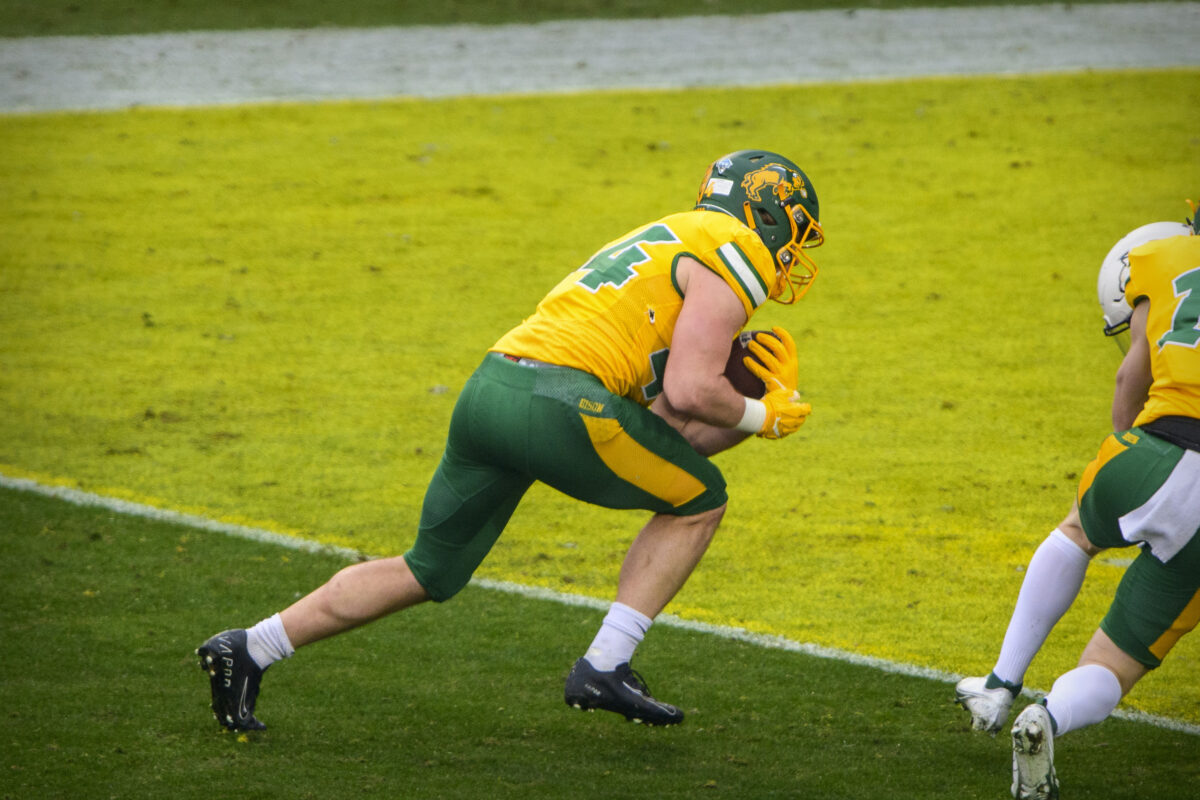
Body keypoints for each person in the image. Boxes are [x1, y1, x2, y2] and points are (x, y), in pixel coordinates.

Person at [197, 149, 825, 730]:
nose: (792, 254)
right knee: (704, 500)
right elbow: (691, 391)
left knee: (428, 569)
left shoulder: (667, 242)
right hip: (562, 401)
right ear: (764, 214)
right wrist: (760, 416)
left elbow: (660, 439)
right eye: (794, 232)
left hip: (492, 391)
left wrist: (742, 422)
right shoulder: (733, 244)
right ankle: (605, 663)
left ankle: (251, 646)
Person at [954, 201, 1200, 799]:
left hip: (1157, 447)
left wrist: (1128, 447)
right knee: (1118, 662)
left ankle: (1000, 683)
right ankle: (1049, 716)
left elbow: (1128, 381)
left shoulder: (1164, 256)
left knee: (1076, 534)